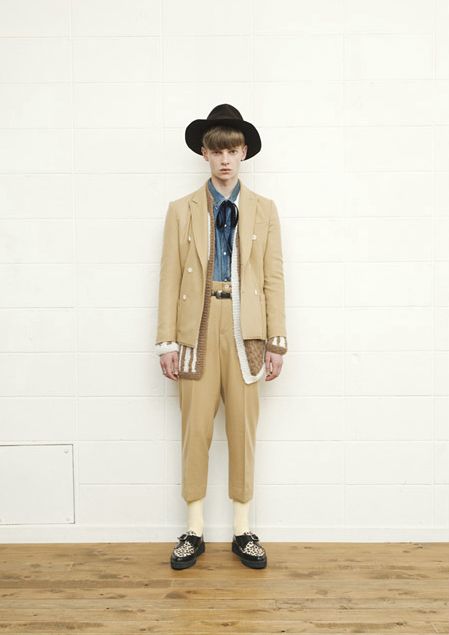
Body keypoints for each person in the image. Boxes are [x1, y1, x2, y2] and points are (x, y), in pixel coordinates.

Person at [155, 104, 288, 570]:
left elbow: (273, 278)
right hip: (196, 330)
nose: (225, 159)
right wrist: (166, 341)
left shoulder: (265, 210)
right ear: (205, 154)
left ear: (244, 152)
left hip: (246, 332)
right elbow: (169, 278)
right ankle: (193, 530)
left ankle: (242, 530)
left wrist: (276, 341)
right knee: (194, 429)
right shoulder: (181, 210)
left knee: (242, 430)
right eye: (217, 151)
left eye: (232, 150)